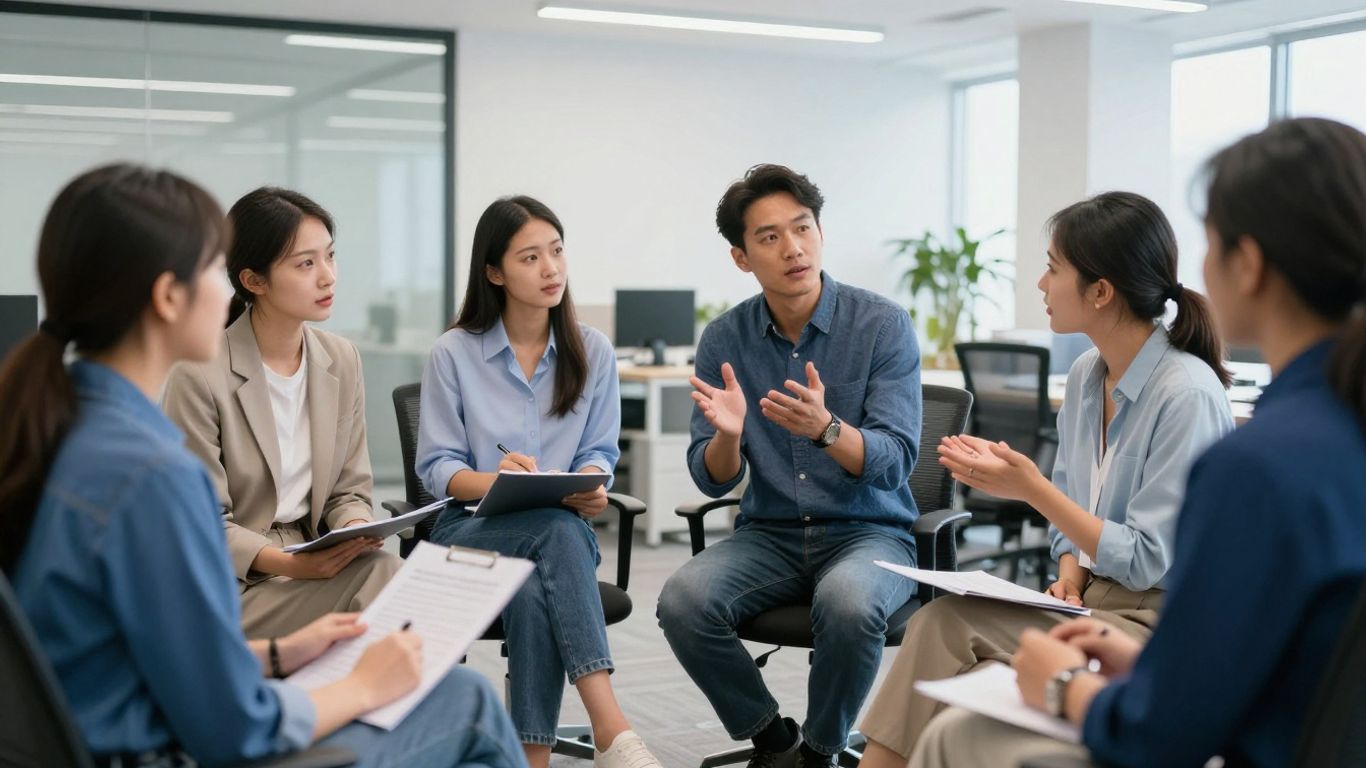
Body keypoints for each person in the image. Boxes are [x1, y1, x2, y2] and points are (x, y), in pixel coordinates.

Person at [0, 163, 525, 768]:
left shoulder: (60, 430)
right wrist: (362, 687)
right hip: (171, 748)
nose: (226, 289)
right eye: (213, 268)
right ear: (168, 297)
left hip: (127, 726)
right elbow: (235, 727)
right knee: (468, 701)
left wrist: (278, 655)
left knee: (439, 680)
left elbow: (162, 649)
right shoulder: (152, 476)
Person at [908, 117, 1366, 768]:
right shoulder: (1333, 431)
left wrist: (1066, 686)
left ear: (1248, 265)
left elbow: (1165, 732)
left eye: (1210, 242)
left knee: (961, 735)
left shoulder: (1258, 465)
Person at [855, 191, 1235, 765]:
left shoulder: (1186, 396)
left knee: (946, 626)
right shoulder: (1086, 376)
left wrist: (1032, 490)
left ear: (1100, 291)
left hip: (1156, 624)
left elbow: (1146, 559)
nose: (1040, 283)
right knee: (957, 676)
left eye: (1053, 269)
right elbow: (1074, 521)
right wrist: (1069, 577)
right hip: (1091, 604)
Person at [656, 163, 924, 768]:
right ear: (741, 257)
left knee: (849, 604)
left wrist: (827, 430)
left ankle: (820, 753)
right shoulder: (724, 339)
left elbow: (896, 461)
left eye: (802, 228)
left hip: (869, 531)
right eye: (769, 237)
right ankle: (774, 740)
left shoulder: (882, 325)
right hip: (770, 535)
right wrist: (729, 437)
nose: (793, 248)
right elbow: (711, 475)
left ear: (820, 232)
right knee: (683, 600)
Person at [415, 195, 660, 768]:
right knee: (554, 530)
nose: (551, 268)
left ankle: (531, 759)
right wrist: (492, 479)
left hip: (559, 535)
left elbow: (599, 452)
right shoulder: (454, 353)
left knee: (533, 586)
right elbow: (437, 468)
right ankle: (611, 728)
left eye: (556, 251)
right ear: (495, 273)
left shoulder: (592, 351)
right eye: (530, 258)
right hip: (469, 533)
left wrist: (591, 485)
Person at [164, 187, 400, 640]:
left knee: (387, 571)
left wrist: (356, 528)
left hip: (315, 555)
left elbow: (349, 491)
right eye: (305, 264)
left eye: (330, 256)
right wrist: (292, 564)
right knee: (384, 582)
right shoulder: (198, 374)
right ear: (254, 280)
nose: (328, 277)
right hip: (233, 581)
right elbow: (198, 521)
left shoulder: (341, 359)